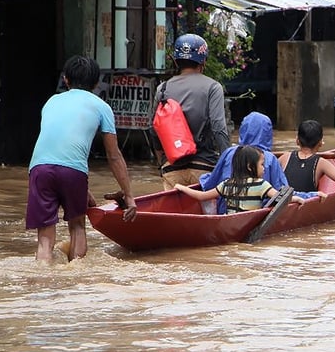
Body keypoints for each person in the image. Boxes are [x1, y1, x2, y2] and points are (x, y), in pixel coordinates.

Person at [26, 55, 137, 262]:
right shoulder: (102, 107)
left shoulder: (51, 102)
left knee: (44, 239)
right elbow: (113, 156)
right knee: (77, 226)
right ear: (96, 83)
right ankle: (77, 278)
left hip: (39, 168)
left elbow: (57, 147)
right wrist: (129, 195)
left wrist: (82, 189)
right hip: (73, 171)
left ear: (66, 79)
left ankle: (42, 279)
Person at [151, 33, 231, 190]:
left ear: (176, 61)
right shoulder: (213, 87)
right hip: (204, 167)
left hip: (171, 167)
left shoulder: (163, 88)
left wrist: (161, 161)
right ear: (203, 61)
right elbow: (219, 128)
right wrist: (228, 163)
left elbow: (153, 129)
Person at [199, 111, 291, 214]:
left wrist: (203, 178)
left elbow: (210, 183)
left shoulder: (229, 152)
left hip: (225, 212)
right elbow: (283, 191)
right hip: (256, 214)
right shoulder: (269, 158)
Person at [176, 146, 303, 212]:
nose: (264, 168)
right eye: (262, 164)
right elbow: (280, 197)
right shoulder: (262, 185)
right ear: (249, 167)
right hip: (248, 223)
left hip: (228, 224)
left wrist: (181, 187)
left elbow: (202, 196)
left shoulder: (227, 184)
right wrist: (297, 198)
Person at [279, 120, 335, 197]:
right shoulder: (321, 163)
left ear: (297, 141)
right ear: (320, 143)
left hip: (284, 201)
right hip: (303, 203)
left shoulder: (284, 157)